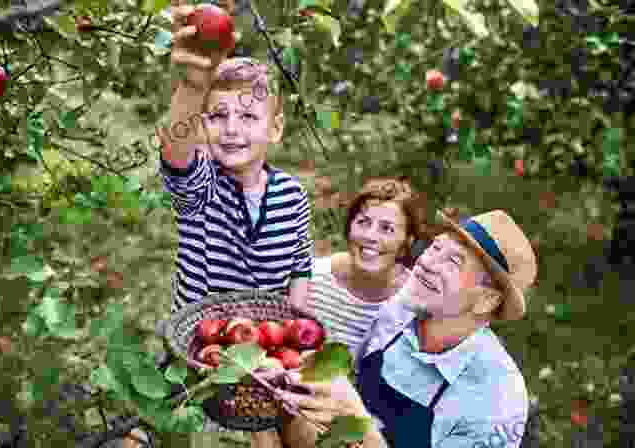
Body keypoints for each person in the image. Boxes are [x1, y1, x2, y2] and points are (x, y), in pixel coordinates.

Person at [279, 209, 537, 448]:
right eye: (436, 247)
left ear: (486, 300)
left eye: (453, 262)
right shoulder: (400, 310)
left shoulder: (496, 397)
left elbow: (355, 415)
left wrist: (358, 421)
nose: (428, 263)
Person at [156, 0, 313, 315]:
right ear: (202, 124)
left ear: (275, 128)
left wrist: (295, 326)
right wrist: (193, 86)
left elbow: (300, 268)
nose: (230, 129)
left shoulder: (293, 196)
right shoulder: (202, 188)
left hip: (264, 343)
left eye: (247, 117)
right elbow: (175, 152)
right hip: (199, 343)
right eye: (218, 116)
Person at [307, 176, 439, 356]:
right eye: (363, 222)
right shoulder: (311, 278)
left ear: (406, 243)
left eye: (387, 229)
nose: (371, 236)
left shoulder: (413, 304)